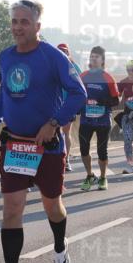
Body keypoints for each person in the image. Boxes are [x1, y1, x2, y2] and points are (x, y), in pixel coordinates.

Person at [0, 0, 86, 263]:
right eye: (14, 21)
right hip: (15, 144)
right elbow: (4, 94)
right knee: (12, 208)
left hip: (47, 147)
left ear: (37, 26)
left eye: (24, 22)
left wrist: (54, 123)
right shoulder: (5, 57)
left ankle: (60, 247)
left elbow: (79, 93)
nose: (18, 27)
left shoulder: (52, 57)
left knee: (52, 205)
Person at [78, 46, 120, 191]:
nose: (93, 59)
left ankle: (103, 177)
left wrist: (103, 101)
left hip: (103, 120)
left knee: (102, 151)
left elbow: (116, 101)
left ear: (102, 60)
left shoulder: (107, 78)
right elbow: (76, 95)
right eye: (91, 56)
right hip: (86, 120)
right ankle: (90, 175)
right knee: (84, 150)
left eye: (96, 57)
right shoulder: (83, 76)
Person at [56, 43, 83, 172]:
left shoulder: (74, 67)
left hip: (68, 104)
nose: (63, 53)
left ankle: (66, 160)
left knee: (66, 132)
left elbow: (81, 85)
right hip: (55, 104)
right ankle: (57, 159)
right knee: (56, 132)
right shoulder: (52, 65)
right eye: (60, 50)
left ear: (68, 53)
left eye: (65, 51)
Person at [116, 59, 133, 173]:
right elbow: (116, 96)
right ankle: (130, 165)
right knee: (127, 140)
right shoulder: (123, 82)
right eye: (128, 70)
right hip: (128, 115)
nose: (131, 72)